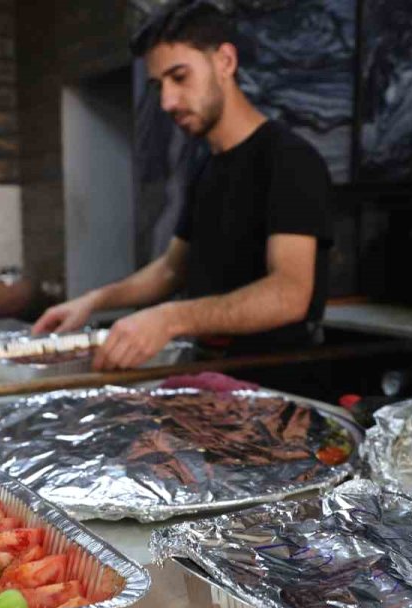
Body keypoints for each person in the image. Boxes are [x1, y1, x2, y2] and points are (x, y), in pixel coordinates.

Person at [34, 1, 333, 381]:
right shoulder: (205, 165)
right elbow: (172, 269)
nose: (167, 102)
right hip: (211, 378)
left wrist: (171, 318)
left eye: (180, 77)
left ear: (225, 61)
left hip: (276, 388)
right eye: (160, 85)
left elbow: (290, 293)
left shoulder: (289, 159)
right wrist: (93, 302)